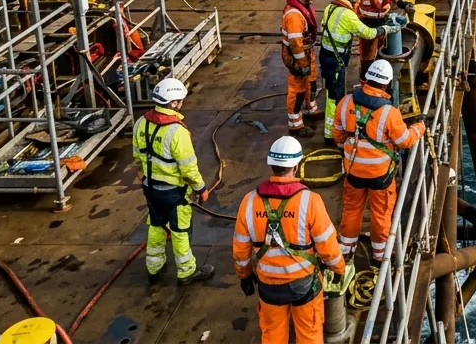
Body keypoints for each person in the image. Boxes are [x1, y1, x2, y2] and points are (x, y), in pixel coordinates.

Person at [234, 136, 347, 344]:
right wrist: (339, 269)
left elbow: (241, 249)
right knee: (310, 334)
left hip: (268, 285)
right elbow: (328, 246)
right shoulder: (310, 201)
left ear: (272, 165)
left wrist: (244, 275)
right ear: (296, 166)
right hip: (303, 284)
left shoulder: (249, 202)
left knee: (272, 335)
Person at [332, 60, 425, 263]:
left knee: (351, 210)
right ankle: (380, 254)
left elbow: (337, 134)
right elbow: (405, 141)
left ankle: (346, 249)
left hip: (353, 171)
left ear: (366, 79)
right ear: (386, 85)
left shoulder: (346, 102)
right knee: (381, 213)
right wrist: (419, 128)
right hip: (379, 175)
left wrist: (347, 148)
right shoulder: (390, 113)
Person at [132, 78, 215, 285]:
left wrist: (145, 178)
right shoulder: (177, 131)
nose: (181, 104)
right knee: (180, 231)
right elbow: (188, 167)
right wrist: (201, 188)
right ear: (173, 104)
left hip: (150, 188)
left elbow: (137, 158)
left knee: (156, 224)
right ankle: (186, 271)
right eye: (179, 101)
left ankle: (154, 266)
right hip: (173, 192)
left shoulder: (141, 123)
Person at [319, 0, 406, 143]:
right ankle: (332, 135)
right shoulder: (348, 15)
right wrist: (387, 29)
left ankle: (331, 132)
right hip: (336, 60)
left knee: (331, 92)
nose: (359, 2)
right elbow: (367, 33)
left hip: (326, 56)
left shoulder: (330, 7)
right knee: (335, 97)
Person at [281, 0, 322, 137]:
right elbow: (295, 44)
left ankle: (311, 110)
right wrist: (302, 63)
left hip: (306, 52)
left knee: (311, 81)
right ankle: (295, 125)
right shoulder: (293, 16)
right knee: (297, 90)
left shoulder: (303, 9)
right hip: (296, 56)